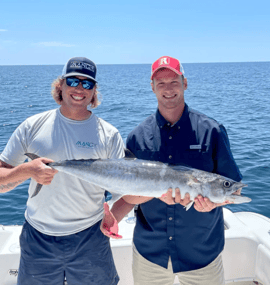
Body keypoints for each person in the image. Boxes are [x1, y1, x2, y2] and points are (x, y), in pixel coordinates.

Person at [102, 56, 243, 285]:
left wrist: (214, 203)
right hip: (150, 254)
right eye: (161, 83)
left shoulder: (212, 131)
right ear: (152, 87)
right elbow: (129, 195)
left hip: (202, 253)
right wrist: (114, 217)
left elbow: (232, 188)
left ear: (184, 83)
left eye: (174, 81)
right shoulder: (137, 136)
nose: (168, 89)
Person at [0, 57, 125, 285]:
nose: (80, 88)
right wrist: (27, 170)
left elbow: (122, 188)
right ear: (60, 85)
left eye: (87, 84)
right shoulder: (32, 126)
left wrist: (114, 215)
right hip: (38, 238)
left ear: (94, 92)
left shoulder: (109, 134)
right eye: (73, 81)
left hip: (90, 236)